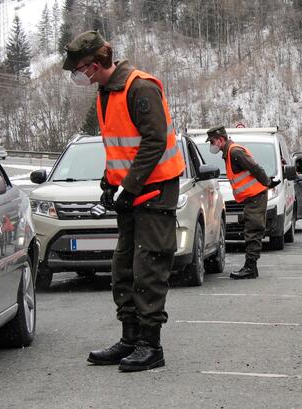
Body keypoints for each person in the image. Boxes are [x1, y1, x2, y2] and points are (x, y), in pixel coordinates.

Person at [62, 30, 185, 372]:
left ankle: (151, 344)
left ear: (96, 64)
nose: (78, 75)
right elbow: (120, 147)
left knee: (150, 266)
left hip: (155, 190)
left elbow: (154, 141)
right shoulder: (106, 91)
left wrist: (128, 187)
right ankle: (130, 338)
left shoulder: (140, 87)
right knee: (124, 267)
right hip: (131, 192)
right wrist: (109, 181)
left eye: (80, 68)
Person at [207, 126, 280, 279]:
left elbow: (254, 167)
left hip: (256, 196)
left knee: (253, 230)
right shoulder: (230, 153)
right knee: (251, 229)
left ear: (221, 140)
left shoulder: (235, 152)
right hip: (251, 197)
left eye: (212, 142)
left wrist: (267, 182)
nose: (211, 146)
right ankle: (250, 266)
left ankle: (250, 267)